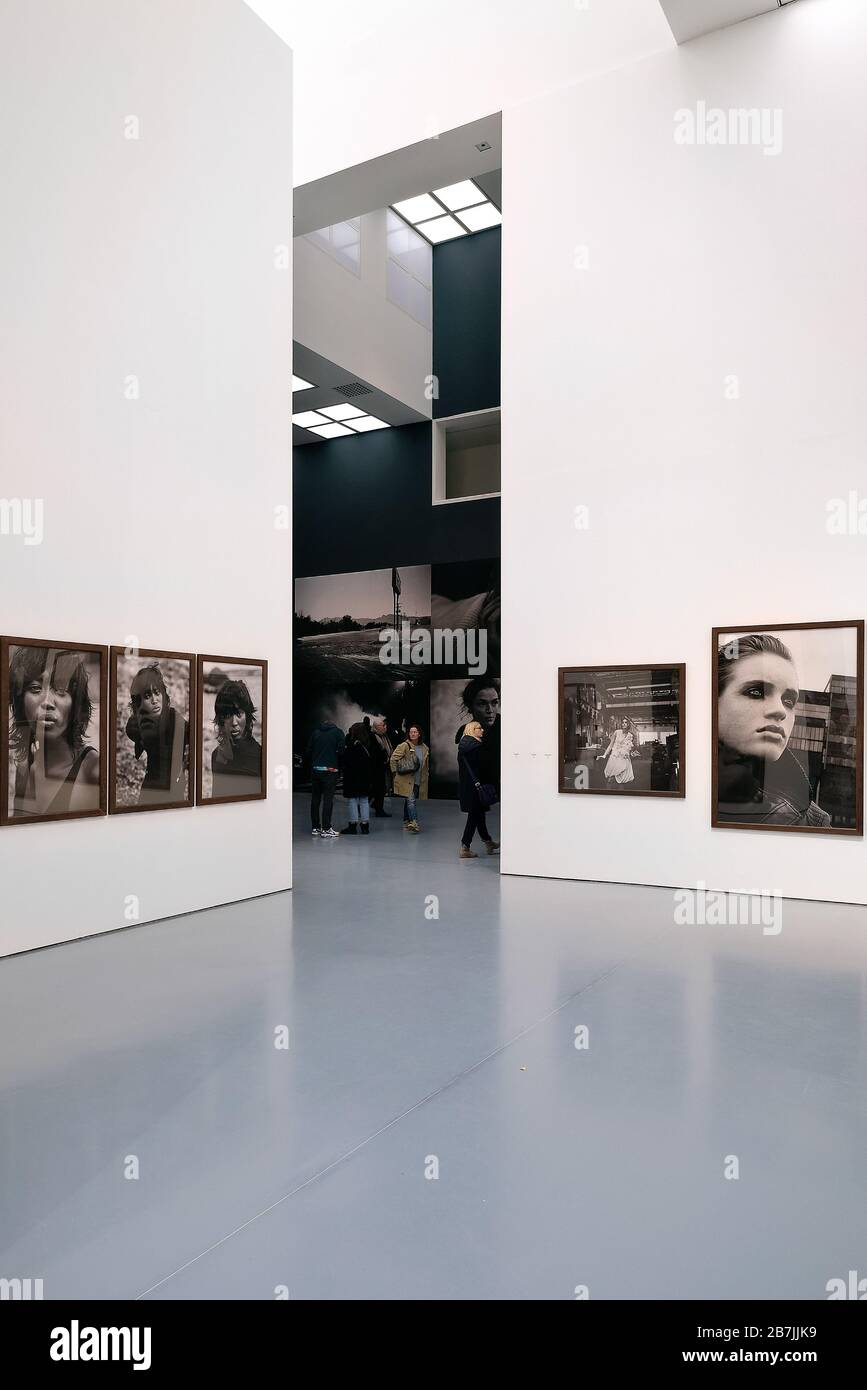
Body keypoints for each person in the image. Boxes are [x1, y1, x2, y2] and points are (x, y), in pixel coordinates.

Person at [717, 633, 830, 827]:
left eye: (788, 701)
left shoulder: (813, 823)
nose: (780, 711)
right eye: (756, 692)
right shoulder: (678, 785)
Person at [8, 645, 101, 818]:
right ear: (20, 701)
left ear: (75, 703)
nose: (47, 702)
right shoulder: (25, 768)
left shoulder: (94, 771)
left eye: (61, 690)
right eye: (35, 689)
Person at [125, 663, 189, 806]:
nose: (154, 700)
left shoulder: (174, 718)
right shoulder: (140, 722)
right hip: (151, 787)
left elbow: (191, 736)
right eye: (147, 696)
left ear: (163, 694)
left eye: (157, 692)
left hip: (174, 790)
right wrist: (142, 739)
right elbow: (130, 728)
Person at [211, 680, 262, 798]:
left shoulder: (261, 756)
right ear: (221, 719)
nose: (234, 723)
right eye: (228, 715)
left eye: (239, 714)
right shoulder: (216, 756)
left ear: (248, 716)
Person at [454, 676, 501, 804]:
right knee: (476, 821)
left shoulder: (507, 729)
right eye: (482, 703)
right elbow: (466, 773)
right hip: (478, 794)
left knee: (476, 822)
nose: (490, 710)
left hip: (499, 798)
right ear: (471, 706)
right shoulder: (466, 733)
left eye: (494, 702)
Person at [457, 720, 500, 859]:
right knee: (474, 816)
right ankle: (465, 846)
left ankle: (488, 842)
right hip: (477, 787)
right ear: (471, 730)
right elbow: (485, 769)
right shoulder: (477, 747)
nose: (482, 730)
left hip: (468, 787)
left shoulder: (463, 748)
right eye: (478, 728)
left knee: (479, 815)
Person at [306, 715, 345, 838]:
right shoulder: (338, 733)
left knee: (315, 799)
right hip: (330, 770)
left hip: (316, 769)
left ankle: (315, 827)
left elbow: (308, 751)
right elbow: (342, 751)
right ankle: (326, 828)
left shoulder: (315, 733)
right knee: (328, 800)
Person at [389, 724, 429, 833]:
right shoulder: (404, 746)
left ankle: (406, 821)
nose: (413, 734)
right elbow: (393, 759)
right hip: (406, 779)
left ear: (419, 734)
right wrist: (394, 773)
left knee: (409, 800)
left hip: (418, 779)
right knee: (411, 801)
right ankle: (414, 822)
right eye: (411, 732)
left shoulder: (424, 748)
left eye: (415, 732)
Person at [342, 721, 372, 835]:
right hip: (365, 777)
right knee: (364, 801)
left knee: (352, 801)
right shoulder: (367, 745)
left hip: (352, 778)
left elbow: (346, 761)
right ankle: (365, 826)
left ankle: (352, 825)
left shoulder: (352, 745)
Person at [598, 716, 635, 785]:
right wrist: (604, 755)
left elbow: (629, 747)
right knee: (610, 779)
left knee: (622, 780)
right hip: (615, 757)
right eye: (623, 722)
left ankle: (621, 794)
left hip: (624, 758)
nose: (624, 724)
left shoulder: (630, 735)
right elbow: (611, 745)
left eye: (626, 722)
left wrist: (632, 753)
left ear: (628, 724)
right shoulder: (617, 732)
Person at [368, 715, 393, 817]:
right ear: (377, 727)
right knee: (378, 788)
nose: (385, 727)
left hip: (382, 766)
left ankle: (376, 806)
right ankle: (378, 809)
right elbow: (375, 753)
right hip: (376, 767)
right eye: (383, 725)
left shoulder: (383, 736)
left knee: (379, 789)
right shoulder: (373, 737)